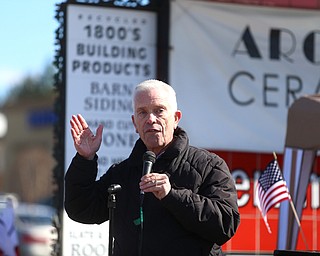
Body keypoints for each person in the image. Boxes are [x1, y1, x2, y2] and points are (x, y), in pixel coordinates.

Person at [65, 79, 240, 256]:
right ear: (134, 123)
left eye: (159, 111)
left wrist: (172, 195)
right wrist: (84, 159)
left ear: (176, 118)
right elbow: (81, 209)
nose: (150, 119)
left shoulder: (209, 166)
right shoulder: (122, 173)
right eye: (142, 112)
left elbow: (226, 224)